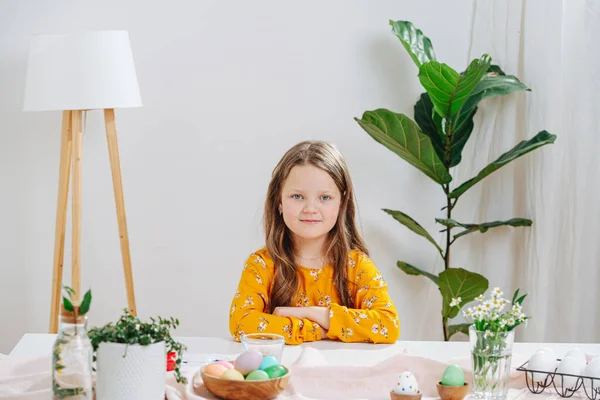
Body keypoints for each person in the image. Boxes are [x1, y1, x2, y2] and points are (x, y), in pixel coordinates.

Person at [228, 140, 399, 344]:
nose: (310, 208)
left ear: (341, 203)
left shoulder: (357, 266)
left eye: (325, 198)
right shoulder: (262, 265)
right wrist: (316, 331)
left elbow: (388, 325)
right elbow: (241, 323)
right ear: (279, 202)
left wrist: (318, 313)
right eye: (297, 196)